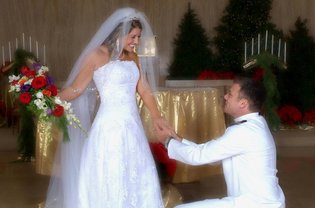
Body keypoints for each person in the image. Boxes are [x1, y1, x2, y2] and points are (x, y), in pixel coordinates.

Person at [45, 8, 174, 208]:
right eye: (133, 36)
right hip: (108, 128)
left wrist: (158, 117)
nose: (136, 41)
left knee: (136, 170)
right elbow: (76, 88)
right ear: (119, 33)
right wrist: (49, 100)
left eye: (139, 37)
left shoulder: (133, 57)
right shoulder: (97, 55)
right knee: (111, 172)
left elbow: (144, 89)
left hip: (132, 127)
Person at [157, 76, 285, 208]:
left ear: (243, 103)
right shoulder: (256, 123)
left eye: (230, 94)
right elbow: (211, 154)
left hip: (255, 204)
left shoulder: (244, 131)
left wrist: (167, 141)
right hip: (257, 201)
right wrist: (177, 139)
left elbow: (198, 156)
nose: (225, 97)